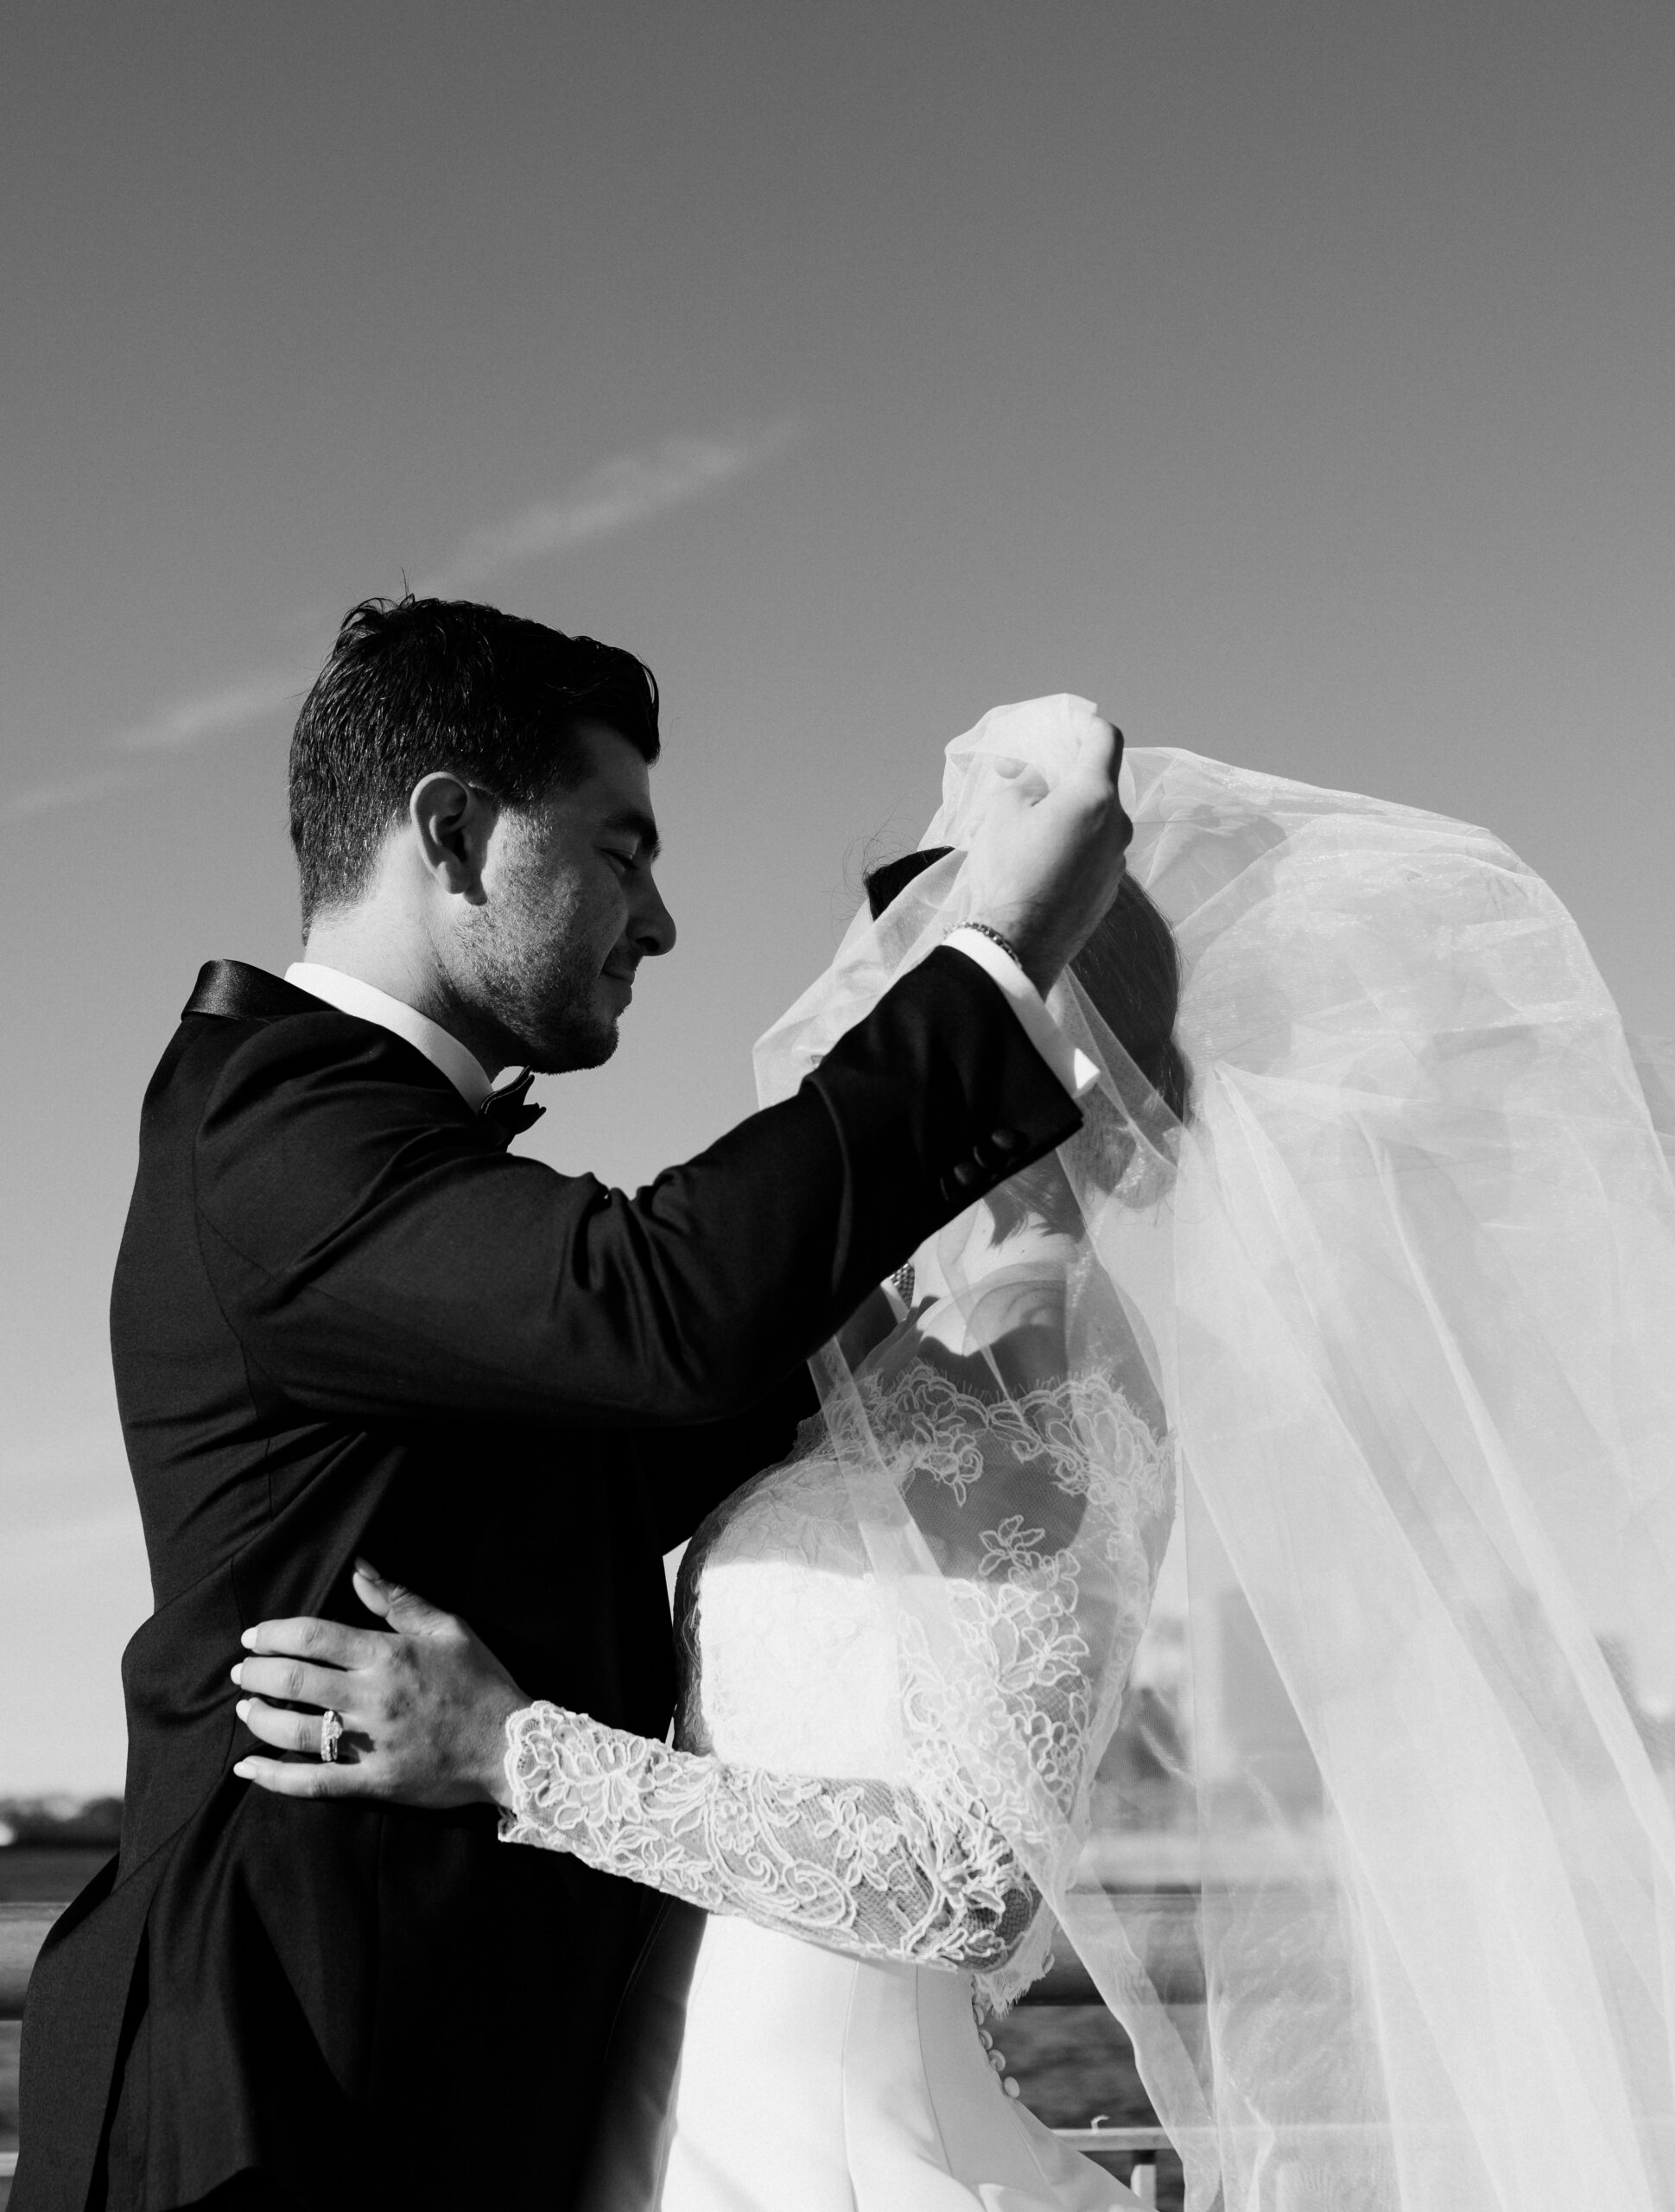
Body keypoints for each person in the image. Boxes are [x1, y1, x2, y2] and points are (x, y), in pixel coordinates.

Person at [231, 701, 1675, 2212]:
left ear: (1058, 1053)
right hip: (673, 2111)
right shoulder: (879, 1341)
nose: (868, 1036)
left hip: (825, 2147)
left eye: (920, 995)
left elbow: (973, 1883)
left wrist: (517, 1755)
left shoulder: (1046, 1360)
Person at [13, 611, 1132, 2212]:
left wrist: (920, 1323)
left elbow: (669, 1404)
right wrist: (1001, 956)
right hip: (288, 2100)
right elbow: (668, 1312)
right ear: (455, 832)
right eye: (623, 852)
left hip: (504, 2091)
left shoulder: (400, 1166)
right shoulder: (275, 1129)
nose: (663, 922)